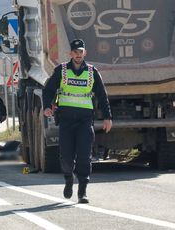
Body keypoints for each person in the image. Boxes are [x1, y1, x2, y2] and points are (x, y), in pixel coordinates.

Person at [42, 39, 112, 204]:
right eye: (75, 52)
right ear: (71, 54)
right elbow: (48, 90)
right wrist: (46, 106)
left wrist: (108, 117)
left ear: (84, 53)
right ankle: (68, 178)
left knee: (84, 156)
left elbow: (102, 96)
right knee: (66, 157)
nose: (78, 55)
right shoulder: (62, 70)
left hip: (85, 120)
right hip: (66, 120)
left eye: (81, 52)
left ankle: (82, 190)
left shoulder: (92, 72)